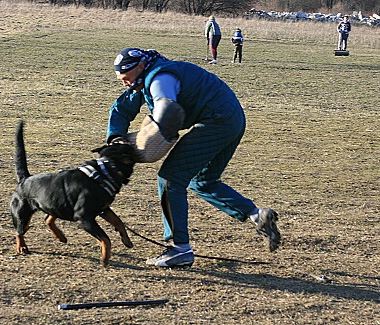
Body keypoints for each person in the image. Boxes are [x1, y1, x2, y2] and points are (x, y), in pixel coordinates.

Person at [107, 48, 281, 267]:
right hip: (233, 118)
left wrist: (156, 131)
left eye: (125, 78)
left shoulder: (160, 78)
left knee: (171, 178)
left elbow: (165, 106)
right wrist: (116, 138)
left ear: (140, 67)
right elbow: (122, 108)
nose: (124, 83)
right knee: (202, 181)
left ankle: (179, 249)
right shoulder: (145, 77)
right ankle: (258, 216)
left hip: (217, 121)